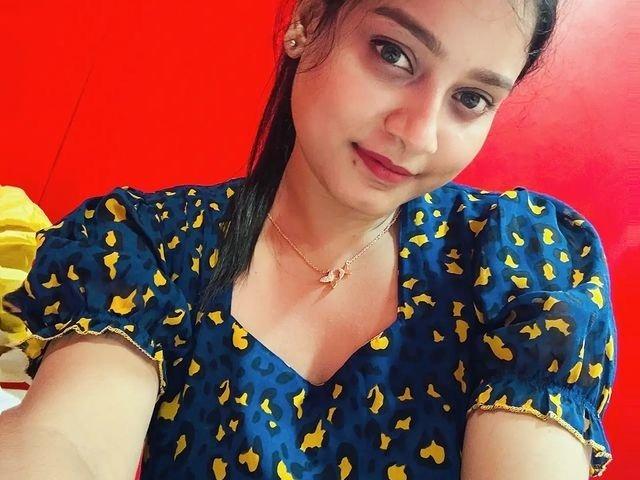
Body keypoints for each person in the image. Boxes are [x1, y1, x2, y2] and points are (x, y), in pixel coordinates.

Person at [0, 0, 617, 478]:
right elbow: (64, 438)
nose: (419, 132)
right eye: (394, 54)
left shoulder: (516, 264)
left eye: (471, 98)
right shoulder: (150, 244)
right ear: (309, 21)